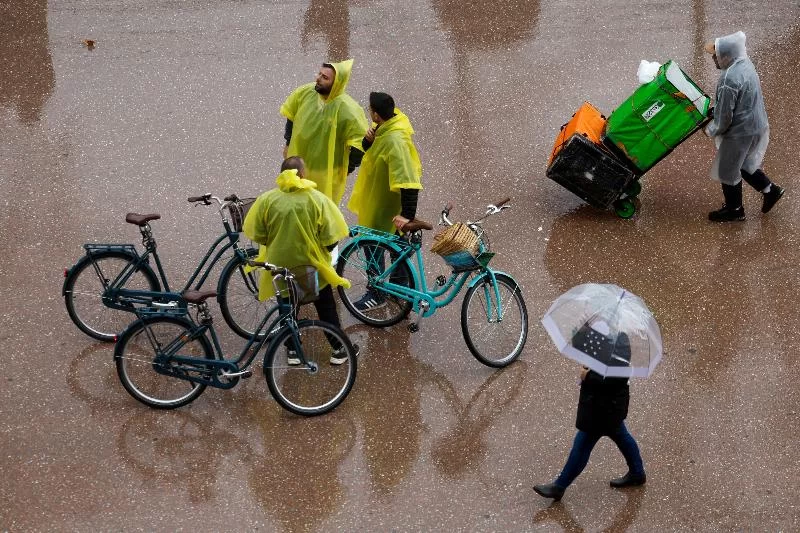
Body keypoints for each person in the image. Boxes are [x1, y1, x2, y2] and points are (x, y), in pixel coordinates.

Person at [242, 156, 355, 364]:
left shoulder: (267, 200)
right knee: (325, 305)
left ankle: (293, 349)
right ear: (302, 174)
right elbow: (331, 237)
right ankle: (338, 348)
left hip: (279, 264)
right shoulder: (316, 199)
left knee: (287, 306)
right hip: (311, 264)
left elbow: (256, 233)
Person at [533, 333, 645, 501]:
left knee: (584, 442)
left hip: (606, 407)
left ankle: (560, 485)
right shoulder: (602, 331)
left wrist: (588, 376)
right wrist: (582, 329)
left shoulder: (619, 341)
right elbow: (581, 345)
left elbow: (617, 378)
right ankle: (637, 473)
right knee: (620, 435)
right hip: (601, 405)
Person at [347, 92, 423, 311]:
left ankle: (378, 294)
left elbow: (409, 179)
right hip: (377, 200)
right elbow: (368, 152)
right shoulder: (387, 125)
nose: (368, 112)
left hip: (387, 206)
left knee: (378, 247)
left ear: (377, 115)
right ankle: (398, 291)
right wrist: (367, 141)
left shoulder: (395, 140)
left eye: (370, 109)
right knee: (395, 247)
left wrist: (407, 215)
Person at [703, 31, 785, 222]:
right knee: (745, 163)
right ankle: (770, 190)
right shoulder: (746, 65)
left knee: (727, 167)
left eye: (716, 55)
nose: (714, 58)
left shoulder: (728, 79)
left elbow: (724, 118)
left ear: (727, 55)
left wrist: (710, 129)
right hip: (756, 124)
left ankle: (735, 210)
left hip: (740, 130)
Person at [281, 59, 368, 203]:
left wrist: (349, 168)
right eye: (319, 74)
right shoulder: (304, 93)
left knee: (320, 207)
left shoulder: (349, 109)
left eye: (325, 77)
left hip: (326, 172)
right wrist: (288, 142)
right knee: (293, 202)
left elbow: (360, 143)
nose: (318, 79)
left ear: (337, 83)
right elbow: (291, 115)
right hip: (298, 162)